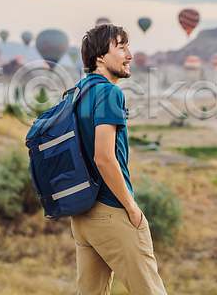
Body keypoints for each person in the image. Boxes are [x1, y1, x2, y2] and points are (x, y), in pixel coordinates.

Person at [71, 24, 167, 295]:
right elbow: (103, 158)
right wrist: (131, 207)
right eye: (122, 47)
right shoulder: (110, 93)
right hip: (111, 210)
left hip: (82, 216)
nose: (130, 55)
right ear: (100, 57)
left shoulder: (78, 92)